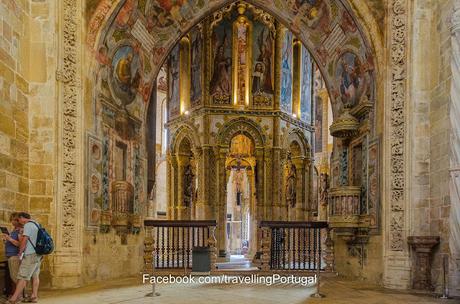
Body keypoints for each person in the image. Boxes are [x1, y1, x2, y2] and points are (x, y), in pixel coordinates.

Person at [7, 212, 42, 304]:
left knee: (23, 276)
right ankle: (34, 296)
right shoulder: (36, 224)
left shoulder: (27, 225)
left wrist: (20, 252)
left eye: (19, 219)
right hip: (38, 254)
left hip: (30, 254)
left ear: (22, 218)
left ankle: (14, 299)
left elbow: (24, 240)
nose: (19, 222)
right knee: (35, 276)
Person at [1, 212, 23, 298]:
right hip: (11, 255)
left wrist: (9, 239)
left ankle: (18, 295)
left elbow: (20, 244)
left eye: (13, 220)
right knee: (13, 276)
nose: (12, 221)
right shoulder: (14, 230)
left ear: (18, 220)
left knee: (15, 276)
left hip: (15, 256)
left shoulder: (20, 231)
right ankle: (15, 294)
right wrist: (6, 240)